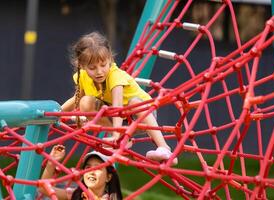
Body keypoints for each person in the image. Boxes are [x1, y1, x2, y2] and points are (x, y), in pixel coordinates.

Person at [61, 32, 177, 165]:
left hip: (142, 115)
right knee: (85, 102)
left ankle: (164, 148)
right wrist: (58, 112)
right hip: (118, 119)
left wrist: (116, 135)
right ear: (81, 65)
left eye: (103, 65)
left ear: (109, 59)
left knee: (134, 101)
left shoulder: (115, 76)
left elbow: (117, 106)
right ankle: (123, 139)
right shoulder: (82, 76)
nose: (99, 72)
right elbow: (76, 99)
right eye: (92, 68)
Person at [39, 145, 122, 200]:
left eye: (98, 168)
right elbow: (44, 188)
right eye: (88, 167)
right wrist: (51, 163)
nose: (91, 172)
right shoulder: (76, 195)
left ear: (108, 177)